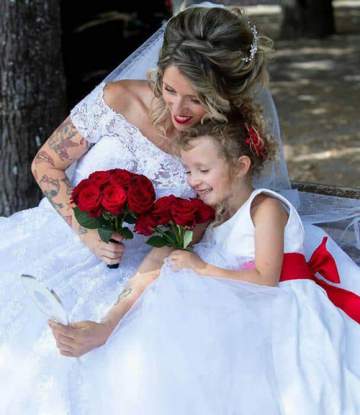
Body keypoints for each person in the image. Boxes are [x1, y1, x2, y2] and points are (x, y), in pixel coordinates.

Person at [0, 2, 359, 413]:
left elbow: (179, 240)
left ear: (225, 94)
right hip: (61, 238)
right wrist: (84, 231)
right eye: (169, 90)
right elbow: (46, 163)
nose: (178, 110)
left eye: (197, 99)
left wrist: (109, 321)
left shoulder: (219, 152)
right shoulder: (117, 99)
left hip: (147, 262)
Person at [63, 113, 360, 414]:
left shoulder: (265, 207)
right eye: (188, 170)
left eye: (202, 169)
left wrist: (201, 268)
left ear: (241, 166)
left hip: (283, 310)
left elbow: (266, 279)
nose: (193, 181)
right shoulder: (215, 219)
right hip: (246, 305)